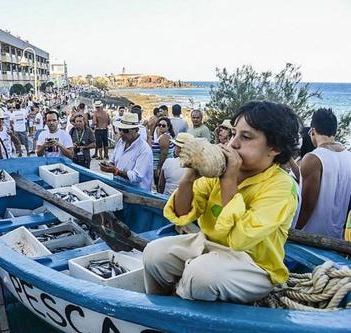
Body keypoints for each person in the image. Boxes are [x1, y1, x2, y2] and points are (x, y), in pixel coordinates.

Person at [144, 101, 299, 304]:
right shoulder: (220, 169)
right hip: (206, 245)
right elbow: (182, 215)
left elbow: (240, 239)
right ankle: (157, 309)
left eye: (246, 137)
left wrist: (228, 180)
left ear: (275, 148)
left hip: (254, 265)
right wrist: (189, 177)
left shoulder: (281, 187)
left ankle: (179, 304)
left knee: (201, 275)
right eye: (234, 134)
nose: (233, 143)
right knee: (153, 254)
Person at [295, 108, 351, 239]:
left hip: (310, 235)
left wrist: (293, 230)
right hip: (336, 235)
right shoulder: (348, 157)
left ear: (312, 131)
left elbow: (307, 205)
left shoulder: (313, 158)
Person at [100, 113, 153, 191]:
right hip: (118, 187)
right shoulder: (120, 142)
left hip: (136, 194)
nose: (121, 133)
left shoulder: (144, 150)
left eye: (125, 130)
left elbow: (136, 177)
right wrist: (107, 165)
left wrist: (116, 171)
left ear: (136, 130)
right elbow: (113, 161)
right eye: (120, 129)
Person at [152, 117, 175, 185]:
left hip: (160, 167)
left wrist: (159, 168)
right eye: (159, 125)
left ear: (168, 127)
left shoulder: (165, 137)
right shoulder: (163, 136)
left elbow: (164, 154)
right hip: (160, 166)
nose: (161, 127)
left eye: (163, 125)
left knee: (159, 186)